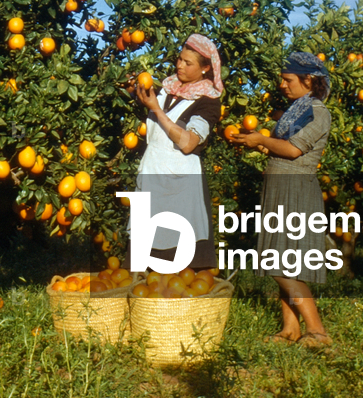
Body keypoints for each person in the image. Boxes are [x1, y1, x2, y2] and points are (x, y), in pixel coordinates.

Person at [232, 51, 333, 348]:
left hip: (296, 188)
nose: (282, 85)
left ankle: (317, 330)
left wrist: (261, 140)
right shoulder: (296, 109)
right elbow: (281, 148)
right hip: (279, 186)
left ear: (308, 80)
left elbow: (292, 150)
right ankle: (290, 328)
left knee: (278, 263)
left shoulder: (317, 111)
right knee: (283, 260)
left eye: (288, 80)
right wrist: (258, 142)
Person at [131, 33, 223, 271]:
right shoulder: (166, 88)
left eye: (188, 63)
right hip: (153, 173)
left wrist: (155, 110)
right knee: (145, 258)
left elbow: (189, 143)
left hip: (181, 185)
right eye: (179, 59)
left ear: (205, 69)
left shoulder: (208, 101)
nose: (179, 65)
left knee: (180, 258)